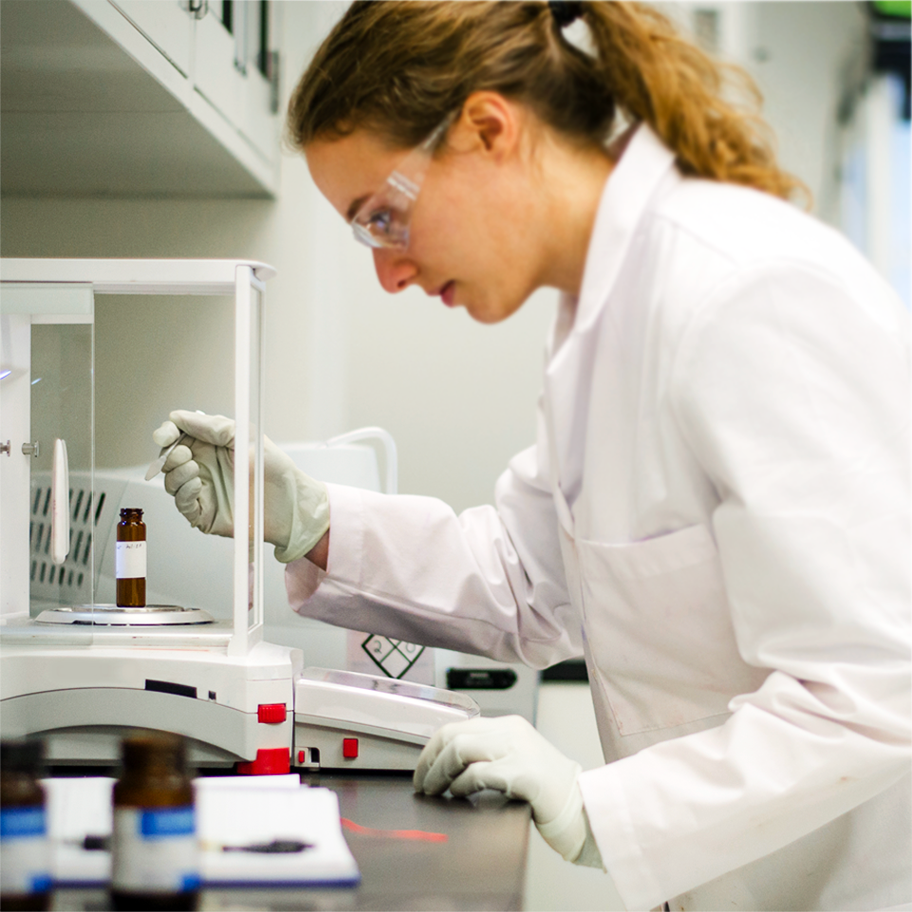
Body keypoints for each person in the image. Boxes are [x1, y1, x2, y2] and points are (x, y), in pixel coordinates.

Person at [152, 2, 911, 910]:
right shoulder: (600, 319)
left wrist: (603, 809)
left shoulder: (740, 292)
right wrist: (309, 521)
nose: (387, 272)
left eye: (382, 219)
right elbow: (526, 577)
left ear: (486, 129)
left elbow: (875, 687)